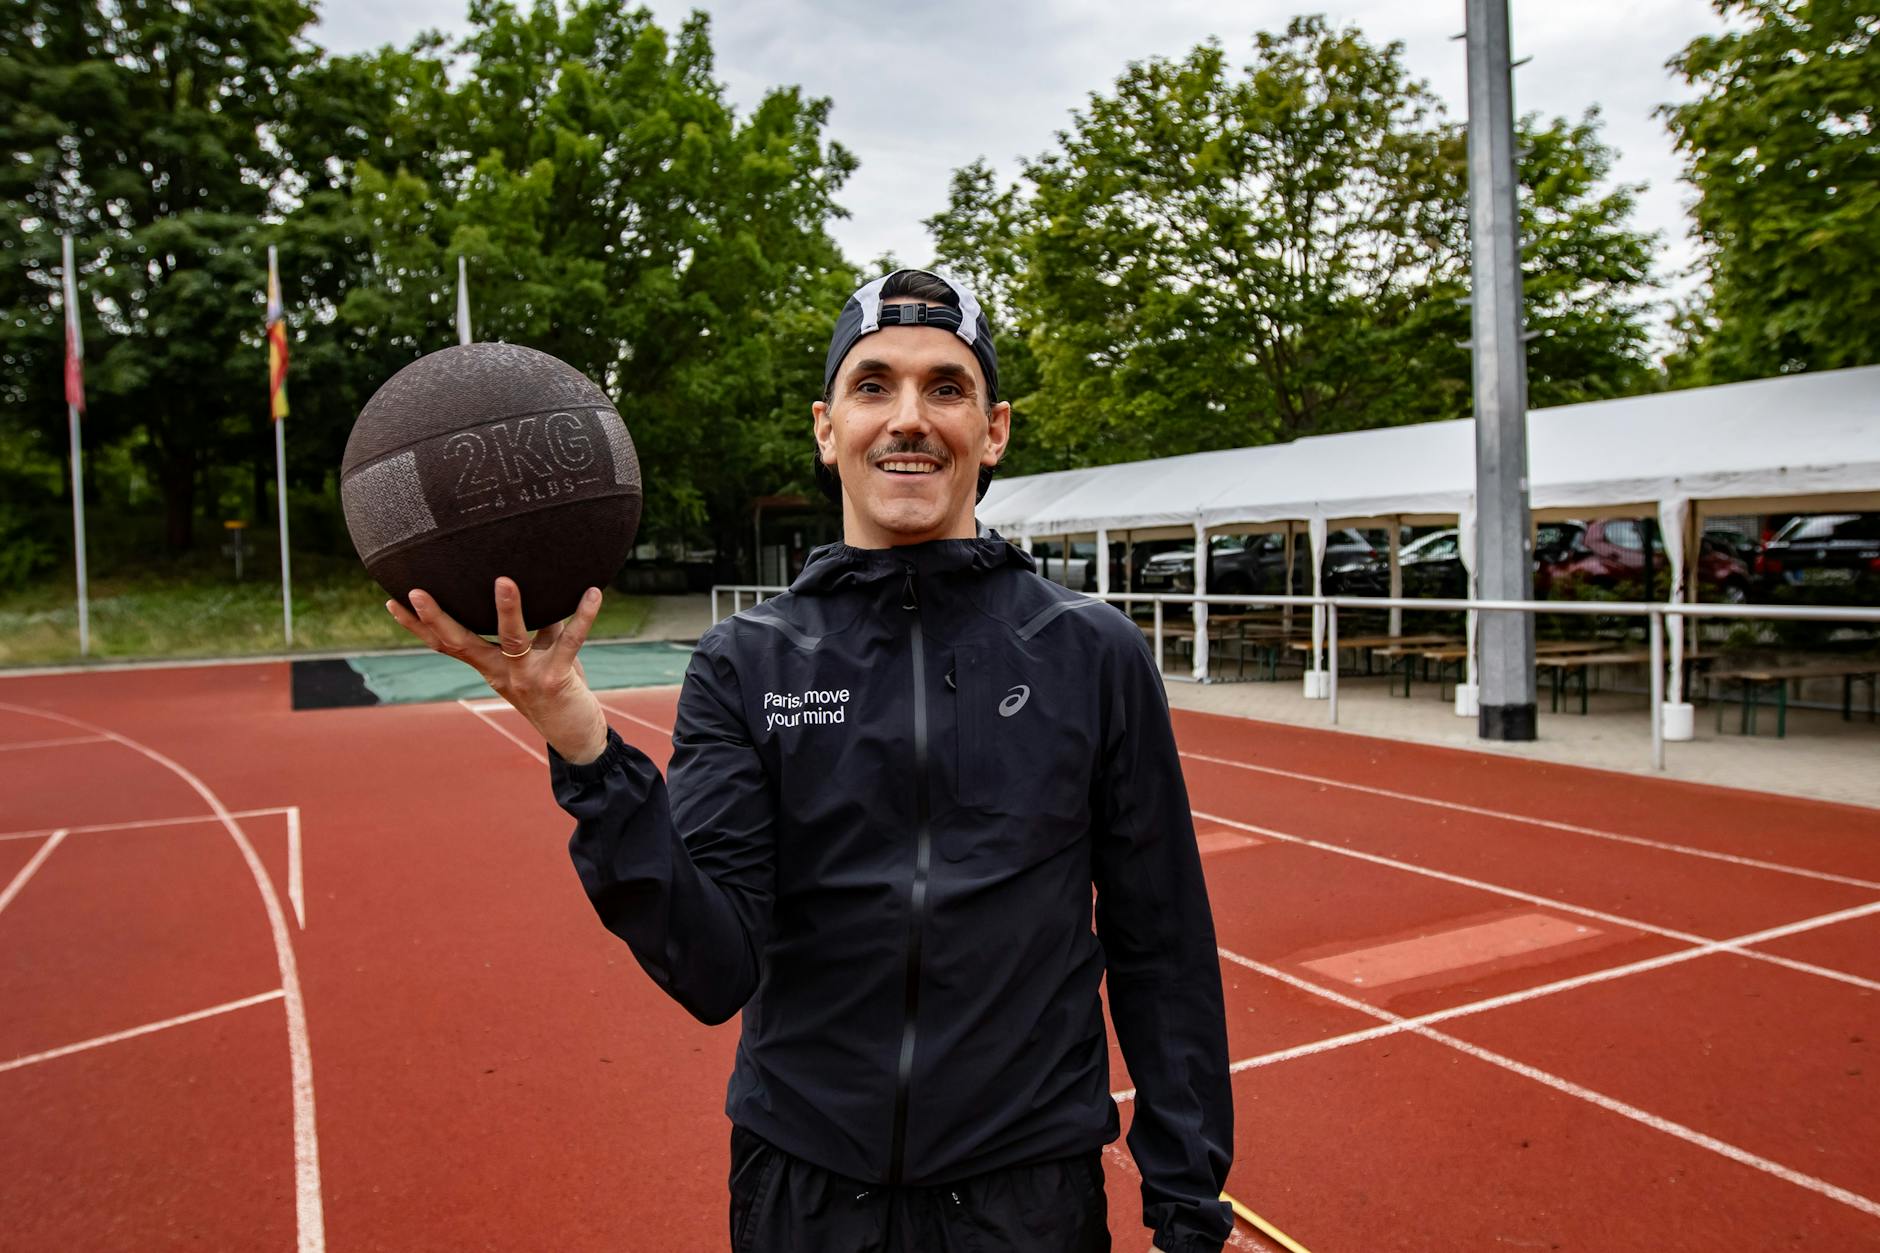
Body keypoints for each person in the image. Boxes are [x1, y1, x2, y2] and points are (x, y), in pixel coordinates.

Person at [388, 268, 1235, 1253]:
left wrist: (1185, 1200)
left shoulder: (1090, 653)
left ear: (993, 429)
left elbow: (1160, 941)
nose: (907, 418)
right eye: (872, 384)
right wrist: (583, 745)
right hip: (806, 1193)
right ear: (826, 427)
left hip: (1025, 1197)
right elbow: (711, 965)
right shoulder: (746, 662)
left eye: (944, 387)